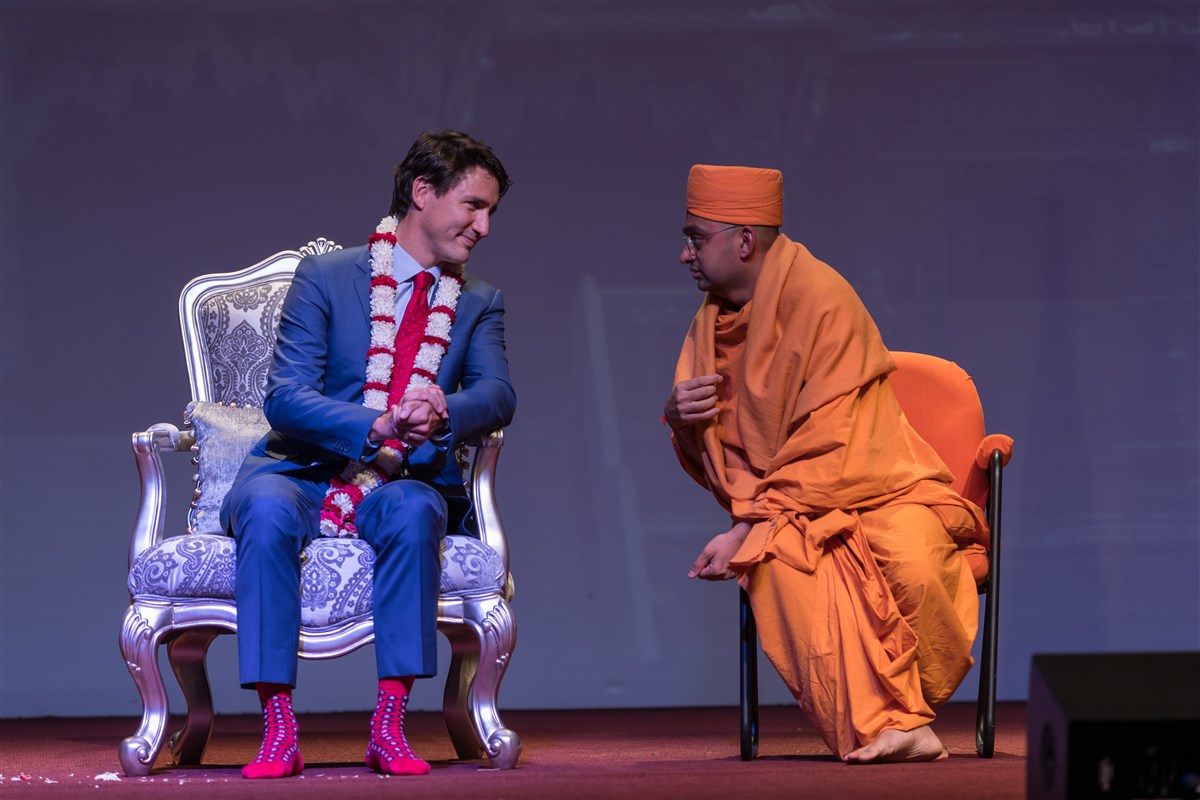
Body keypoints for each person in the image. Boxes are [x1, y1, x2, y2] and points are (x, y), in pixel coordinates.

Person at [664, 164, 989, 763]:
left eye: (695, 237)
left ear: (742, 240)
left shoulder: (823, 298)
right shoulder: (709, 324)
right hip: (791, 506)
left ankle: (899, 719)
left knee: (915, 565)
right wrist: (682, 419)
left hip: (883, 488)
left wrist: (746, 525)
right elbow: (726, 453)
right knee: (782, 571)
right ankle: (884, 726)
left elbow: (831, 438)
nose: (684, 254)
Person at [220, 130, 516, 779]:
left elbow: (496, 394)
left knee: (416, 513)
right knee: (264, 510)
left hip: (404, 477)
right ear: (422, 192)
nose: (484, 225)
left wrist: (442, 410)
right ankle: (277, 729)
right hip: (300, 470)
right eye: (472, 205)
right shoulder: (328, 277)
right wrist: (374, 422)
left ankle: (389, 726)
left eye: (491, 211)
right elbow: (286, 397)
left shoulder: (478, 301)